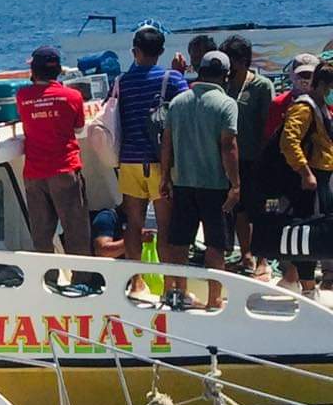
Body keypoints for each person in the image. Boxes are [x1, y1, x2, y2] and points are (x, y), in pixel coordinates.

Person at [158, 50, 240, 309]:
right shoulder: (226, 104)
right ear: (226, 76)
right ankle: (214, 299)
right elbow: (228, 146)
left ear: (199, 71)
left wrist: (165, 177)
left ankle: (180, 293)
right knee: (216, 244)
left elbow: (167, 143)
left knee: (180, 243)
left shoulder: (178, 102)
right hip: (215, 185)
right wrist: (236, 184)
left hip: (183, 182)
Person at [114, 23, 188, 275]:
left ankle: (136, 281)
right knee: (165, 226)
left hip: (129, 160)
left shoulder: (122, 82)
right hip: (160, 162)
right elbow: (187, 106)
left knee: (133, 225)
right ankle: (168, 284)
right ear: (161, 51)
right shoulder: (172, 79)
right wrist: (179, 73)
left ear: (135, 52)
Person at [15, 44, 91, 254]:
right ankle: (81, 272)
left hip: (34, 174)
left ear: (34, 71)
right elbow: (79, 128)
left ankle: (47, 273)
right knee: (76, 232)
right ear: (58, 70)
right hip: (65, 170)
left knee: (41, 236)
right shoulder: (73, 96)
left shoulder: (22, 97)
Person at [272, 55, 333, 297]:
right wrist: (305, 172)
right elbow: (289, 142)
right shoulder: (305, 107)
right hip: (310, 180)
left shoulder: (320, 107)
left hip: (323, 177)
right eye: (329, 88)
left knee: (317, 232)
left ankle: (307, 284)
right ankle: (307, 288)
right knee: (307, 233)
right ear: (321, 85)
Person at [226, 34, 274, 276]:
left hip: (256, 158)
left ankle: (263, 258)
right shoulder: (224, 86)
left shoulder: (261, 86)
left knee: (259, 210)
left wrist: (266, 160)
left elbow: (269, 125)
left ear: (243, 60)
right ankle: (246, 255)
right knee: (239, 209)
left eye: (232, 60)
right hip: (232, 160)